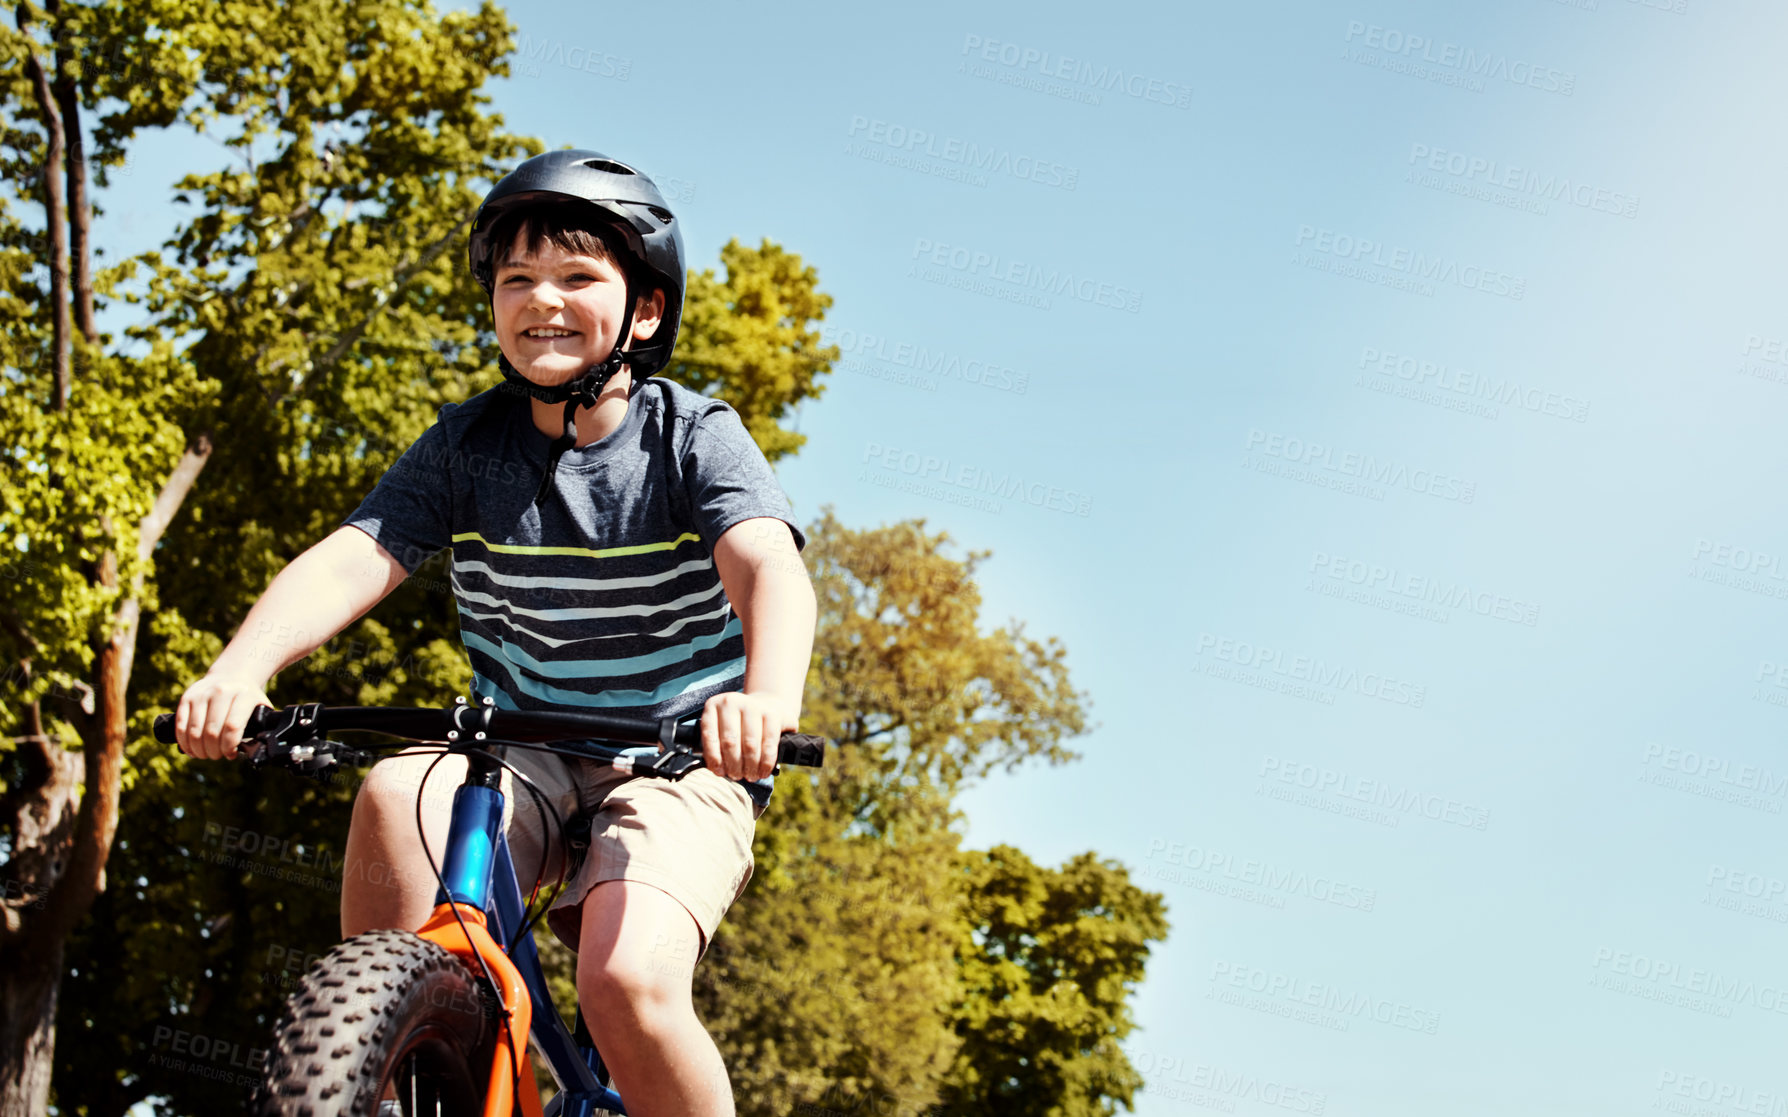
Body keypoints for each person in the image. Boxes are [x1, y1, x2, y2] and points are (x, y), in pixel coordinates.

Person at [172, 148, 817, 1117]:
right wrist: (241, 667)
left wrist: (765, 700)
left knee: (626, 984)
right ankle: (376, 1064)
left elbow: (769, 566)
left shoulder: (692, 436)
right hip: (519, 748)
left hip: (679, 758)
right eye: (515, 279)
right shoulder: (466, 444)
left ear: (644, 311)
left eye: (574, 277)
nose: (539, 299)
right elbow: (353, 556)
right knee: (395, 791)